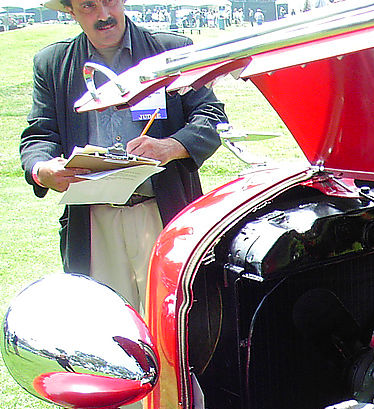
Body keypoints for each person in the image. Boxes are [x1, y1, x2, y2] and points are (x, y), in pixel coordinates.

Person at [20, 0, 226, 314]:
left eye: (109, 1)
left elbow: (211, 117)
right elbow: (39, 135)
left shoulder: (171, 51)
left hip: (162, 213)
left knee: (174, 321)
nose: (104, 15)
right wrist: (43, 169)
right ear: (70, 11)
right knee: (105, 326)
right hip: (92, 222)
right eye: (88, 6)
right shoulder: (51, 62)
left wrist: (170, 146)